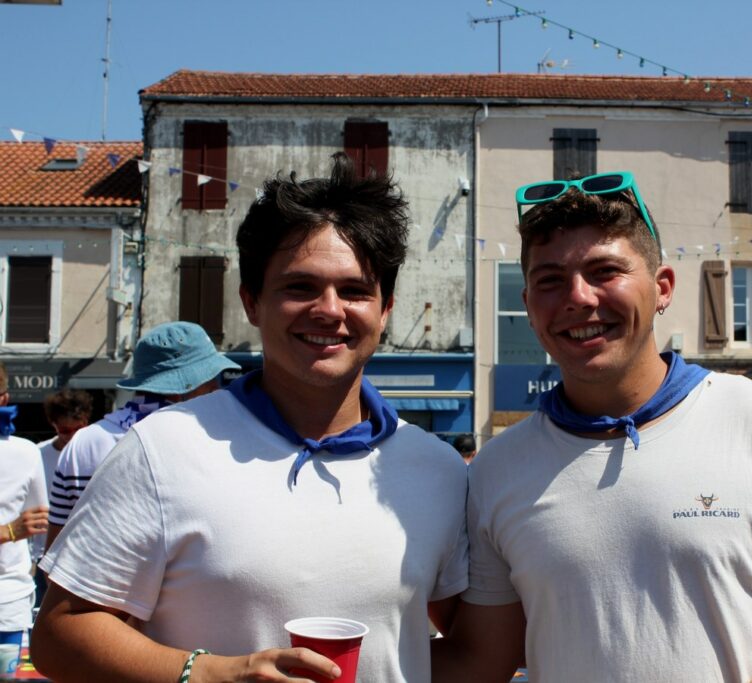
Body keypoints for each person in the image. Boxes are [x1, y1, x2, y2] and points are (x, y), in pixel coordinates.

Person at [433, 172, 752, 682]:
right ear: (528, 306)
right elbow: (482, 659)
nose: (578, 297)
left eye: (604, 271)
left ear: (662, 288)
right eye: (550, 280)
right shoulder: (498, 468)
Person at [33, 154, 468, 683]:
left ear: (386, 310)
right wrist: (214, 673)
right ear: (252, 302)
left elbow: (473, 647)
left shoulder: (439, 469)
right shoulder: (161, 449)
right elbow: (58, 634)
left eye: (355, 290)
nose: (330, 309)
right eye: (300, 287)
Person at [44, 321, 239, 550]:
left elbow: (55, 550)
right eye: (210, 380)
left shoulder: (82, 444)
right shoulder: (201, 441)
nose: (217, 388)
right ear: (185, 386)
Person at [0, 362, 49, 650]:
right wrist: (8, 531)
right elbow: (37, 523)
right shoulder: (28, 452)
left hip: (9, 600)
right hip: (10, 598)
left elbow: (38, 521)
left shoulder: (27, 452)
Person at [32, 388, 92, 604]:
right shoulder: (37, 454)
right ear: (53, 424)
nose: (73, 436)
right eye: (66, 430)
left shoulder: (94, 452)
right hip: (45, 554)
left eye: (79, 428)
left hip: (83, 554)